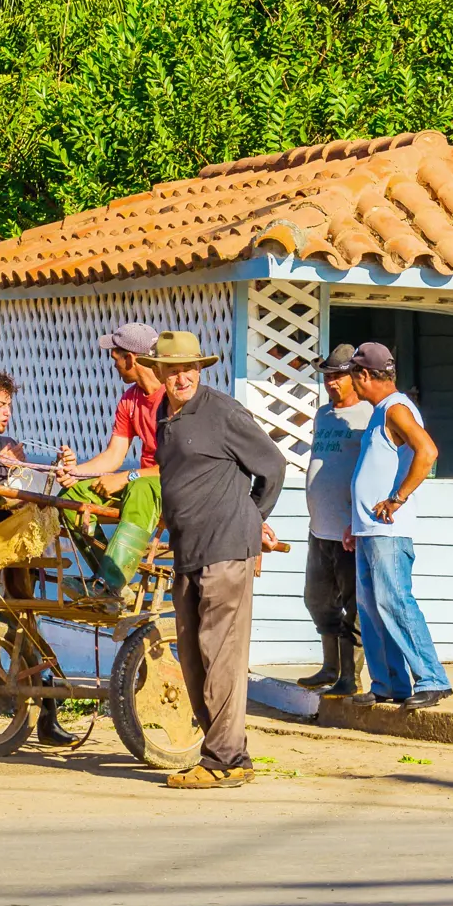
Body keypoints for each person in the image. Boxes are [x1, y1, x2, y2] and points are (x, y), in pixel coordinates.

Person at [137, 330, 286, 790]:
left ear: (200, 370)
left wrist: (252, 516)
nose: (182, 377)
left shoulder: (222, 412)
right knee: (193, 658)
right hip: (188, 550)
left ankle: (221, 762)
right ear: (158, 372)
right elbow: (180, 478)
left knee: (220, 654)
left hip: (225, 550)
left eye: (190, 368)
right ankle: (232, 755)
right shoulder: (164, 415)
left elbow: (273, 466)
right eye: (173, 369)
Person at [0, 367, 79, 747]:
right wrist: (5, 471)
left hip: (16, 553)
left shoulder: (9, 443)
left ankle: (47, 715)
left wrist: (60, 469)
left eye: (9, 405)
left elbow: (29, 485)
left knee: (23, 626)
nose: (7, 412)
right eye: (0, 404)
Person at [344, 342, 452, 711]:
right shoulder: (380, 412)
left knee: (395, 602)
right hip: (368, 529)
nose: (352, 384)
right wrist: (354, 522)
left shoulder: (396, 408)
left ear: (365, 375)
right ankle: (389, 683)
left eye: (353, 376)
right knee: (372, 607)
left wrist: (398, 497)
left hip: (389, 530)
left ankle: (432, 678)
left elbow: (428, 451)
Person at [53, 323, 165, 591]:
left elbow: (183, 466)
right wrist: (76, 472)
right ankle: (109, 580)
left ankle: (109, 584)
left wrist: (127, 476)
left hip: (171, 485)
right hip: (143, 483)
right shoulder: (130, 399)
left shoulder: (172, 397)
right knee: (71, 497)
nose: (113, 364)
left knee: (139, 486)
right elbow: (114, 455)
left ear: (131, 358)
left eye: (115, 357)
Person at [298, 346, 373, 697]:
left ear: (355, 377)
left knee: (352, 606)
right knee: (317, 599)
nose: (332, 383)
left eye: (338, 376)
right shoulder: (323, 415)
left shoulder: (369, 414)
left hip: (349, 530)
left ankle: (349, 675)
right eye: (327, 376)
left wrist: (359, 518)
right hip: (320, 527)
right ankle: (329, 667)